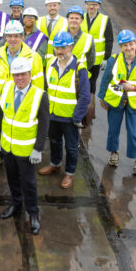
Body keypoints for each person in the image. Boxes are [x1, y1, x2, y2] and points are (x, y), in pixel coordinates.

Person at [0, 57, 49, 234]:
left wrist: (38, 148)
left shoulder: (40, 95)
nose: (19, 79)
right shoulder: (8, 87)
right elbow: (0, 113)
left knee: (29, 183)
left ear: (30, 75)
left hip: (26, 150)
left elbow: (44, 124)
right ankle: (16, 204)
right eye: (16, 75)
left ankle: (33, 213)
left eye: (23, 74)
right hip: (7, 147)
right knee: (12, 179)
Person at [0, 20, 45, 172]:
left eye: (16, 36)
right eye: (9, 36)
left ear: (23, 36)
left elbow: (38, 85)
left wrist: (34, 107)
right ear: (5, 37)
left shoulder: (33, 57)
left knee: (18, 131)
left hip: (22, 105)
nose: (12, 39)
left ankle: (19, 157)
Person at [98, 30, 136, 176]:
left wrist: (135, 88)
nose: (129, 48)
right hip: (115, 100)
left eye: (131, 44)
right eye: (125, 45)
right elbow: (105, 80)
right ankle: (114, 152)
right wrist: (102, 98)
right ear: (121, 47)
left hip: (135, 102)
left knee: (134, 131)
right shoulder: (113, 60)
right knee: (113, 129)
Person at [39, 32, 91, 189]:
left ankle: (69, 173)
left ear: (71, 47)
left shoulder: (79, 69)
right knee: (54, 141)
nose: (59, 51)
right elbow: (45, 88)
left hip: (69, 118)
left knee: (71, 146)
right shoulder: (50, 63)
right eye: (57, 48)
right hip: (53, 115)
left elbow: (85, 96)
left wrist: (77, 117)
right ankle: (55, 164)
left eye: (62, 48)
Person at [81, 0, 114, 97]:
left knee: (92, 83)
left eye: (94, 4)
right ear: (86, 5)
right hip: (81, 58)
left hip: (96, 60)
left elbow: (109, 40)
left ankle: (90, 106)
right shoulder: (80, 18)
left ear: (98, 6)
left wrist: (106, 58)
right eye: (89, 4)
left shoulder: (105, 20)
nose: (92, 7)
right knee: (80, 82)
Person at [37, 0, 68, 65]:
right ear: (46, 7)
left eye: (54, 5)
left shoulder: (66, 22)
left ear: (59, 6)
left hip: (57, 62)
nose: (52, 8)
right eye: (49, 5)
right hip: (40, 61)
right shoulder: (38, 21)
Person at [66, 6, 95, 70]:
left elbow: (91, 60)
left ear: (81, 20)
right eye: (71, 18)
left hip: (79, 76)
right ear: (68, 19)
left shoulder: (88, 38)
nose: (74, 20)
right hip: (63, 74)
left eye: (77, 18)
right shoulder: (61, 36)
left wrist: (82, 71)